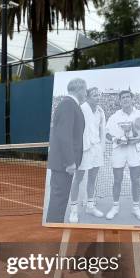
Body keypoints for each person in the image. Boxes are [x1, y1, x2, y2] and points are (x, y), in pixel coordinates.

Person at [104, 90, 140, 222]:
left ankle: (136, 208)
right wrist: (115, 139)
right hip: (119, 150)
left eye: (127, 97)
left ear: (132, 99)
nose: (125, 99)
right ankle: (115, 207)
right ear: (119, 101)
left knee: (135, 180)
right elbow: (107, 134)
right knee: (117, 180)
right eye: (122, 98)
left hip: (135, 150)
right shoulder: (114, 116)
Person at [46, 78, 87, 223]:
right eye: (85, 90)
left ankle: (55, 226)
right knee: (59, 200)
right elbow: (65, 135)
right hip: (64, 164)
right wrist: (70, 162)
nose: (86, 93)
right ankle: (53, 233)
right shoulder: (68, 105)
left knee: (61, 200)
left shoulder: (69, 104)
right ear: (80, 89)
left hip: (64, 164)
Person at [68, 87, 106, 223]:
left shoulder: (101, 111)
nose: (98, 97)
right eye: (95, 95)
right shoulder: (81, 109)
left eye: (98, 94)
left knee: (92, 179)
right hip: (83, 150)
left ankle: (90, 206)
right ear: (88, 97)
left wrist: (102, 148)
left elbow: (101, 131)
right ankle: (73, 210)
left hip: (96, 149)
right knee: (78, 179)